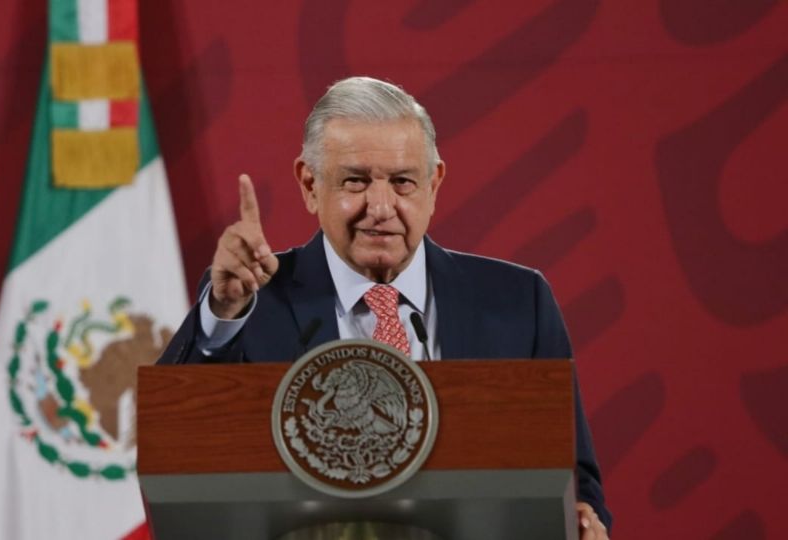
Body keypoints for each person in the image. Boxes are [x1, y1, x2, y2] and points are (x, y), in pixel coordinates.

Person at [158, 76, 611, 537]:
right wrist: (224, 315)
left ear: (433, 184)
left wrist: (582, 517)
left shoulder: (517, 302)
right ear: (310, 184)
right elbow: (177, 448)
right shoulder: (250, 301)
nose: (380, 206)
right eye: (355, 181)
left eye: (402, 182)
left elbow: (573, 475)